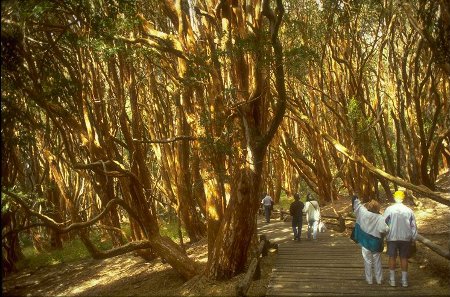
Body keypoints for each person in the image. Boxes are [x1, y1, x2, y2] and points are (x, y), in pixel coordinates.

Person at [352, 195, 389, 285]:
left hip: (365, 242)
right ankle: (379, 280)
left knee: (367, 261)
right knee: (377, 261)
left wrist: (355, 197)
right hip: (375, 242)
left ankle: (369, 280)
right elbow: (383, 229)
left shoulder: (363, 213)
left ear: (368, 207)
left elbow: (357, 205)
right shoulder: (380, 218)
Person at [383, 190, 417, 287]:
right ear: (403, 198)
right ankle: (404, 281)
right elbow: (413, 225)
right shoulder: (409, 210)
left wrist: (385, 235)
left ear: (394, 197)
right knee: (404, 258)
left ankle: (392, 280)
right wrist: (413, 238)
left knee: (392, 257)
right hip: (406, 237)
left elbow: (384, 223)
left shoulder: (389, 209)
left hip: (392, 237)